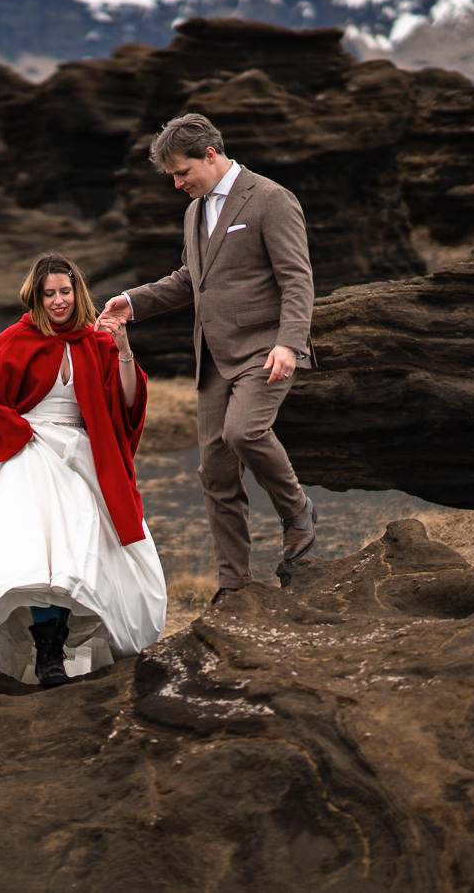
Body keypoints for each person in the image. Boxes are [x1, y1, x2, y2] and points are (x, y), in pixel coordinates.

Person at [0, 252, 166, 687]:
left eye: (65, 292)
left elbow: (128, 404)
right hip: (29, 451)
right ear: (36, 297)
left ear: (77, 293)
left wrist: (124, 348)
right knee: (33, 550)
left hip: (83, 456)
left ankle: (57, 643)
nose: (58, 301)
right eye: (49, 293)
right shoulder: (18, 338)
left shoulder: (97, 341)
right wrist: (14, 431)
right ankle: (48, 653)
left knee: (79, 548)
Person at [100, 113, 316, 604]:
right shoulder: (196, 211)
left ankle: (297, 508)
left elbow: (297, 278)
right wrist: (132, 303)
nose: (178, 184)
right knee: (215, 473)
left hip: (265, 349)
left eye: (182, 172)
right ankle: (233, 584)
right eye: (173, 177)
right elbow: (188, 279)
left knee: (245, 432)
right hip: (213, 358)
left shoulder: (271, 199)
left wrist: (290, 342)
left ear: (211, 155)